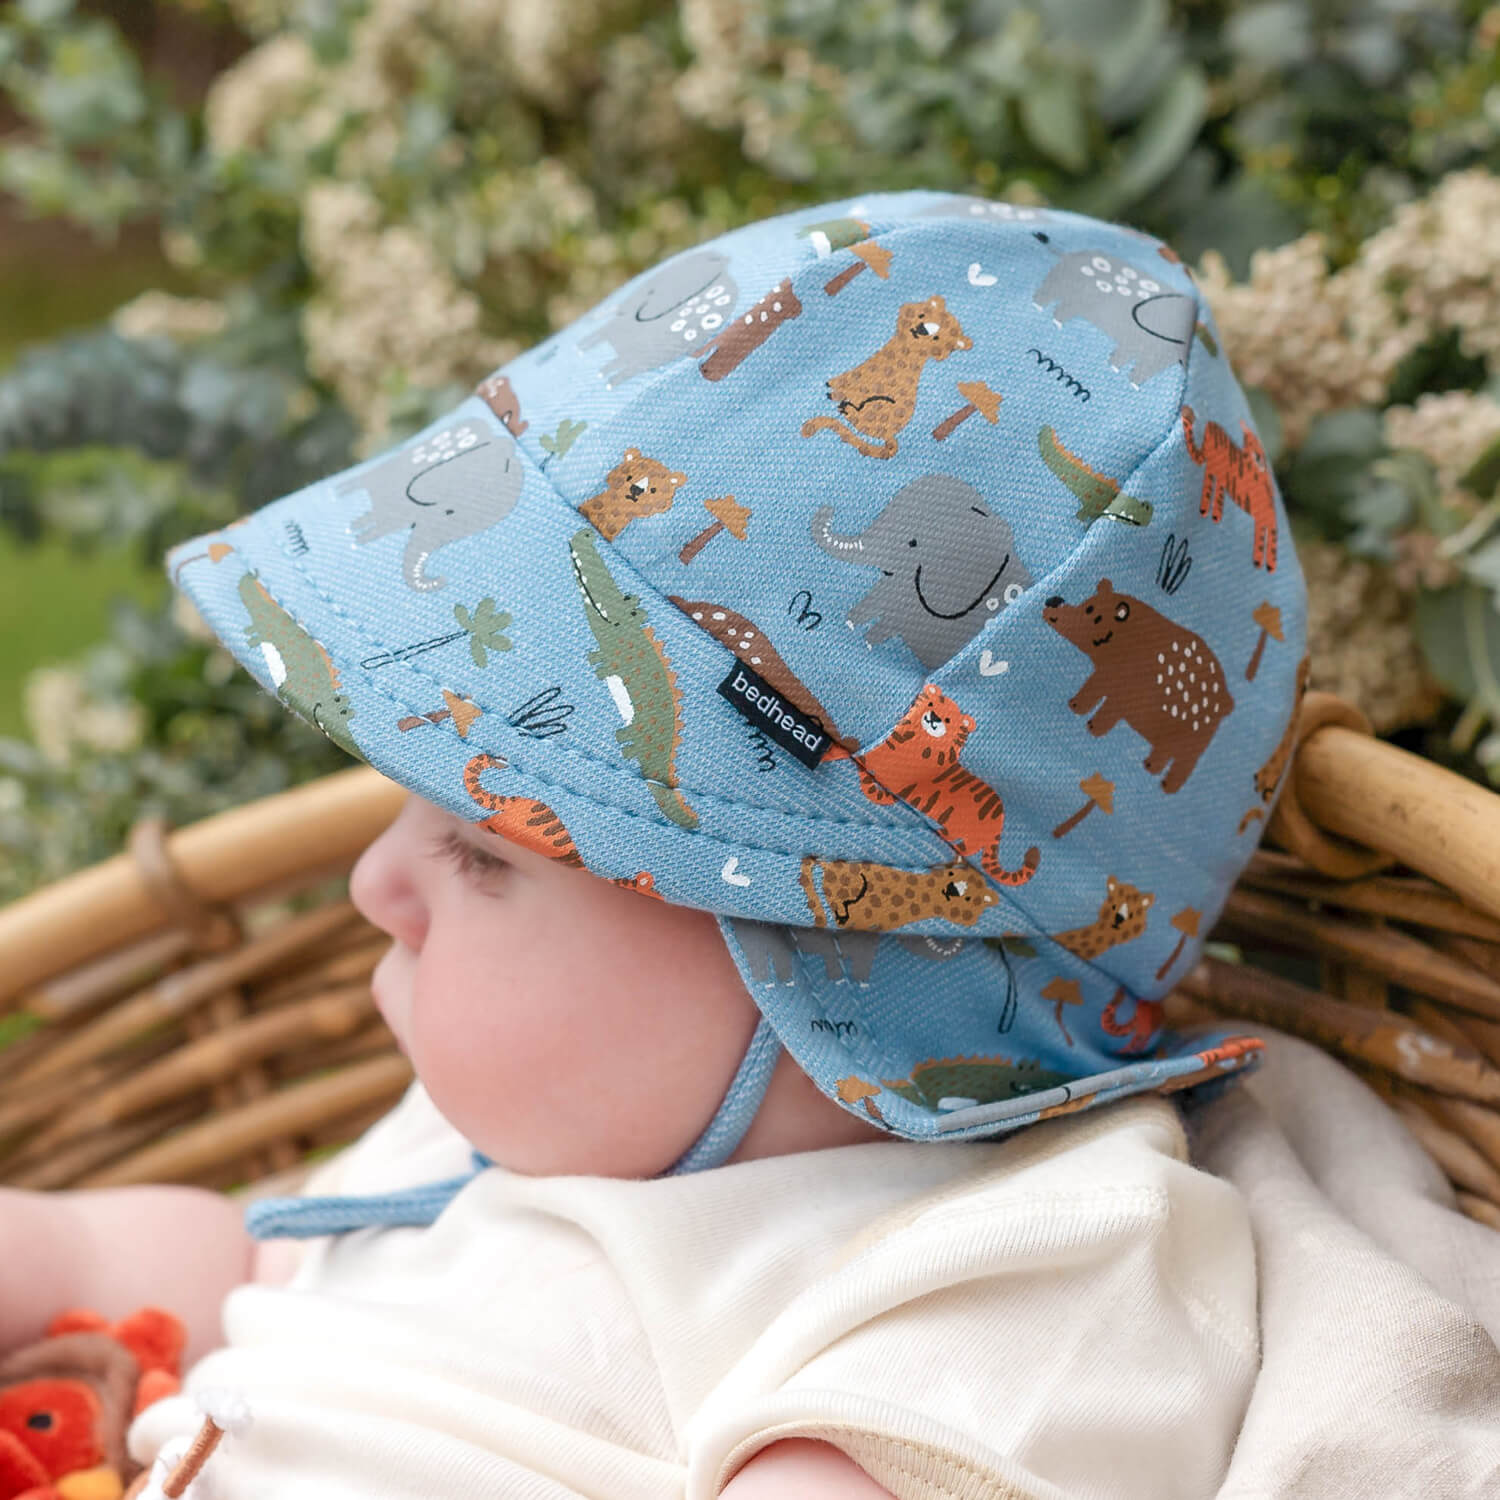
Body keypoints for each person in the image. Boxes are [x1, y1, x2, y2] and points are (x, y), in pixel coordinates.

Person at [0, 190, 1313, 1499]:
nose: (372, 884)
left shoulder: (999, 1274)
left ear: (835, 968)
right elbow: (238, 1271)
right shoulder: (540, 1124)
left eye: (484, 856)